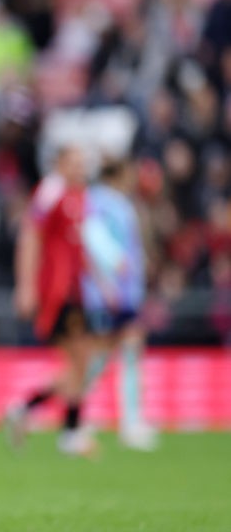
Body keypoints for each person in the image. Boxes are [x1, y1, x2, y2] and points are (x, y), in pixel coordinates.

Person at [4, 145, 97, 456]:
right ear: (59, 164)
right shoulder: (51, 192)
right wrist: (26, 286)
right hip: (56, 289)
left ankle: (27, 409)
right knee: (79, 356)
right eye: (74, 162)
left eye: (82, 163)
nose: (80, 168)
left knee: (79, 360)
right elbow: (31, 236)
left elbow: (80, 247)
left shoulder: (78, 196)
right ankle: (69, 431)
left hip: (74, 287)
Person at [80, 160, 158, 450]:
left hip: (123, 293)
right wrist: (115, 269)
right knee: (102, 355)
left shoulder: (116, 203)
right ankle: (82, 416)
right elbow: (93, 240)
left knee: (128, 350)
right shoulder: (101, 203)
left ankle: (129, 420)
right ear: (116, 175)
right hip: (108, 293)